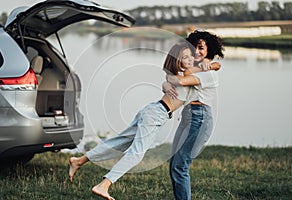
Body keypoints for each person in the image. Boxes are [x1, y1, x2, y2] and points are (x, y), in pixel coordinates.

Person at [68, 42, 218, 200]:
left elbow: (215, 66)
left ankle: (78, 161)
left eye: (190, 56)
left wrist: (209, 65)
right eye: (184, 57)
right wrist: (172, 81)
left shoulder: (183, 74)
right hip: (156, 114)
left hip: (152, 110)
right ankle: (104, 185)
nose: (189, 59)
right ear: (177, 61)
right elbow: (180, 80)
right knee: (137, 153)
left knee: (120, 142)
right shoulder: (182, 76)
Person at [163, 30, 225, 200]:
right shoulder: (198, 68)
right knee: (174, 164)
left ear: (209, 49)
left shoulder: (210, 74)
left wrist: (210, 65)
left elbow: (179, 80)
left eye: (201, 48)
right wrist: (165, 83)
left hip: (200, 118)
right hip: (188, 116)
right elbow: (174, 78)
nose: (196, 52)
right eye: (193, 48)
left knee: (180, 165)